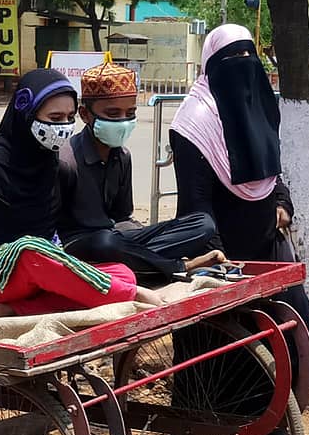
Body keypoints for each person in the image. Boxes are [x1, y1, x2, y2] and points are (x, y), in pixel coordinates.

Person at [0, 69, 166, 330]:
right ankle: (134, 294)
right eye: (54, 118)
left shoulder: (50, 161)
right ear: (27, 114)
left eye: (69, 118)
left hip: (39, 275)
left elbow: (51, 240)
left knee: (122, 273)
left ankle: (15, 310)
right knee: (29, 249)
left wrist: (65, 266)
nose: (63, 127)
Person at [169, 24, 309, 347]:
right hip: (217, 250)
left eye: (249, 55)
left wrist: (282, 203)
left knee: (299, 323)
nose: (244, 62)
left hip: (265, 241)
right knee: (227, 347)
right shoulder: (193, 124)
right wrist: (220, 264)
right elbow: (196, 206)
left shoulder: (258, 108)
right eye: (233, 56)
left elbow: (271, 172)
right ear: (211, 65)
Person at [58, 62, 224, 285]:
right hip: (81, 246)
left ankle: (137, 262)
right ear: (85, 114)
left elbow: (122, 217)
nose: (123, 121)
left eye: (130, 113)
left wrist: (141, 237)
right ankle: (177, 266)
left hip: (117, 239)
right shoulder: (66, 161)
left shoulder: (122, 156)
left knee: (203, 224)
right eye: (113, 113)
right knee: (105, 243)